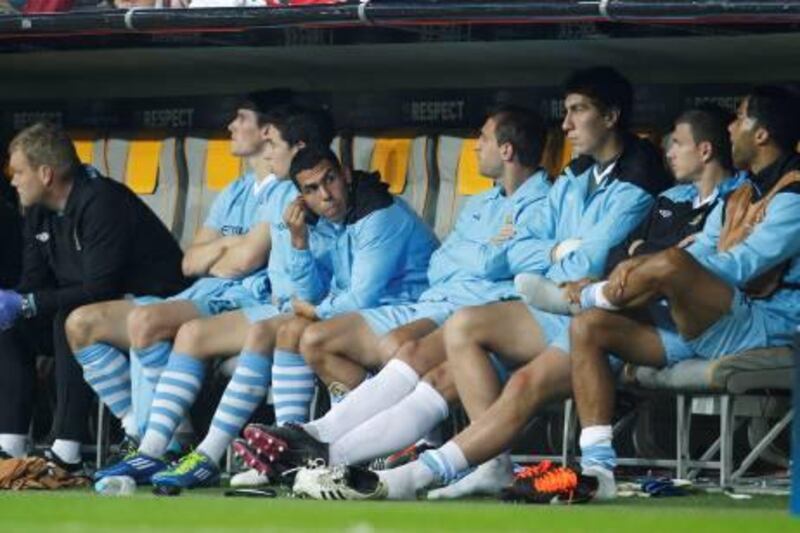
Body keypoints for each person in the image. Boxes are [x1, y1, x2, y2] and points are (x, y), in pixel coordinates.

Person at [237, 104, 556, 476]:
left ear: (507, 149)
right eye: (311, 189)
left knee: (401, 349)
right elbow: (444, 262)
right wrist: (299, 242)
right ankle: (314, 445)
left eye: (482, 138)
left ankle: (320, 444)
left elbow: (501, 263)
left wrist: (481, 256)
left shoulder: (546, 200)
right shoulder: (482, 201)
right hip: (440, 301)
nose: (474, 147)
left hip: (481, 310)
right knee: (311, 337)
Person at [569, 84, 800, 500]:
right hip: (717, 318)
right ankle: (598, 469)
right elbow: (705, 248)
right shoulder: (742, 191)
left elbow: (741, 265)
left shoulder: (796, 193)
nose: (731, 128)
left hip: (770, 323)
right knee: (589, 329)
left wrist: (654, 267)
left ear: (761, 134)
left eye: (740, 118)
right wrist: (652, 269)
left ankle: (592, 293)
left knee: (672, 265)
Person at [0, 122, 187, 471]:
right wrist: (14, 303)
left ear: (45, 173)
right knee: (10, 326)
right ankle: (8, 447)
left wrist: (29, 303)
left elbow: (100, 287)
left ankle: (66, 449)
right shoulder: (38, 211)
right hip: (92, 311)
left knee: (68, 315)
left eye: (19, 172)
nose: (13, 181)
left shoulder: (103, 201)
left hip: (155, 307)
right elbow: (33, 282)